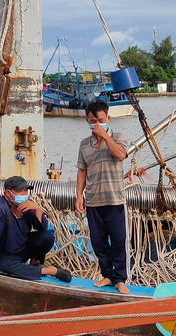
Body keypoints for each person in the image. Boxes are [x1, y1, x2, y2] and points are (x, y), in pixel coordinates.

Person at [75, 100, 130, 294]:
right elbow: (82, 170)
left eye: (100, 120)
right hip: (93, 200)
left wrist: (105, 136)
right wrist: (79, 196)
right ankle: (107, 275)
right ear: (87, 121)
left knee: (117, 240)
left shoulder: (118, 137)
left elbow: (121, 155)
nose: (96, 124)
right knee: (98, 241)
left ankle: (120, 278)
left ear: (108, 118)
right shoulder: (84, 145)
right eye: (92, 121)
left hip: (114, 199)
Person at [0, 176, 72, 283]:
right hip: (6, 254)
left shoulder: (27, 205)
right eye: (20, 191)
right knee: (4, 267)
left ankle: (35, 262)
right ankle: (50, 271)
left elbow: (41, 228)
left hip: (23, 246)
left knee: (47, 236)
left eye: (26, 191)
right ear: (8, 193)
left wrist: (37, 208)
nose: (24, 194)